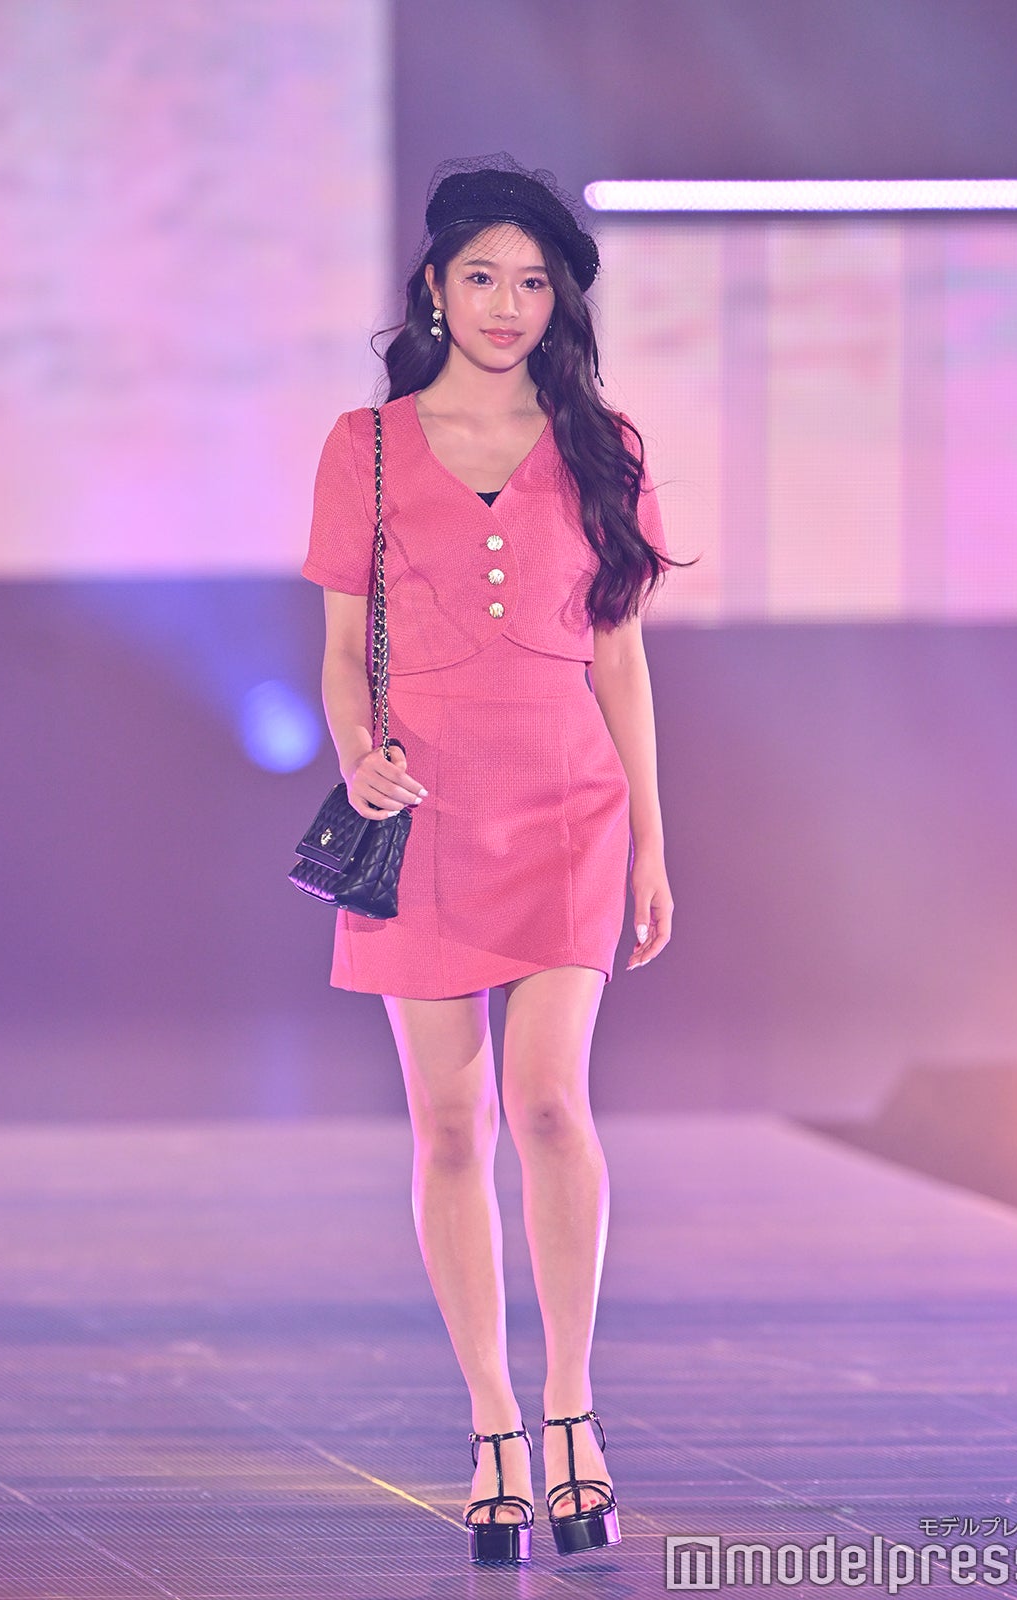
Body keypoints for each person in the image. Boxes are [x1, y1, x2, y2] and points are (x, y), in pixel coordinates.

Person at [301, 154, 685, 1566]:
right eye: (482, 277)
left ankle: (575, 1406)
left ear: (559, 299)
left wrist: (651, 843)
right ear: (434, 287)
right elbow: (343, 653)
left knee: (548, 1104)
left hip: (570, 807)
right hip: (425, 816)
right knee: (450, 1127)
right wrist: (357, 753)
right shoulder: (367, 446)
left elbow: (621, 660)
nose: (507, 304)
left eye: (532, 282)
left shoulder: (601, 444)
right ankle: (493, 1426)